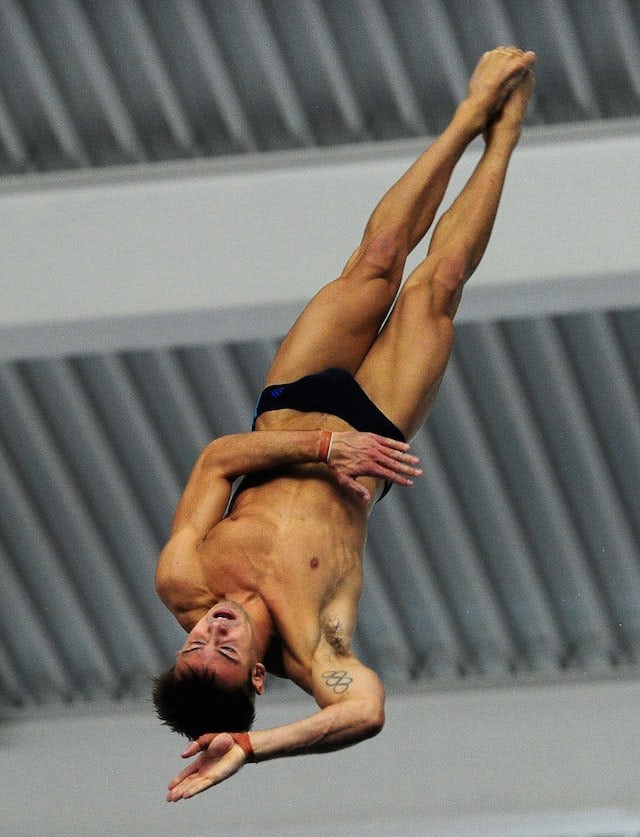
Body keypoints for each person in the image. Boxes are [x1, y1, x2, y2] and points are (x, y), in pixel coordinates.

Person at [154, 46, 536, 801]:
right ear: (258, 674)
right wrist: (253, 749)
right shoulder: (315, 645)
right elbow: (363, 709)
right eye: (224, 651)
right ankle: (507, 134)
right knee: (438, 285)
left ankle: (468, 114)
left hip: (296, 406)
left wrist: (323, 443)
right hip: (380, 423)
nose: (213, 630)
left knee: (381, 257)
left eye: (196, 640)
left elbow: (217, 461)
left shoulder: (184, 578)